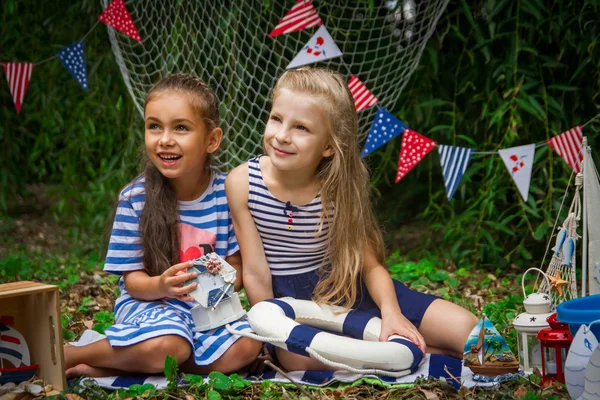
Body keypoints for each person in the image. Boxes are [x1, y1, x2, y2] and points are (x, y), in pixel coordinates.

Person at [226, 67, 478, 371]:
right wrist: (270, 332)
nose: (281, 136)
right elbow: (255, 273)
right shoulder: (243, 183)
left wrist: (391, 313)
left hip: (345, 288)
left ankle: (409, 350)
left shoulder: (337, 189)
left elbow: (370, 266)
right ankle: (413, 355)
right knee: (299, 360)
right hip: (293, 305)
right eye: (276, 119)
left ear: (330, 146)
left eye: (301, 128)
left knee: (469, 330)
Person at [64, 74, 261, 377]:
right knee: (171, 343)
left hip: (209, 310)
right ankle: (73, 354)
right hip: (151, 306)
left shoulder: (227, 193)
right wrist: (162, 286)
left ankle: (116, 366)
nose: (165, 138)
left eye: (181, 127)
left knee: (249, 344)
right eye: (154, 126)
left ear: (212, 139)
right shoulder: (135, 198)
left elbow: (236, 263)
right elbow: (133, 282)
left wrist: (215, 283)